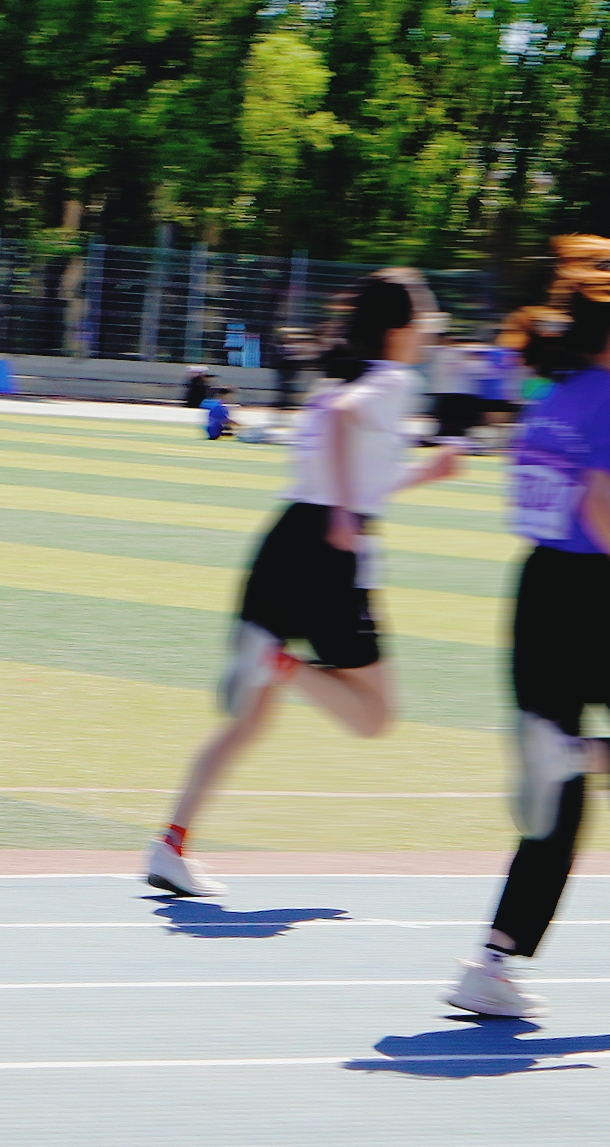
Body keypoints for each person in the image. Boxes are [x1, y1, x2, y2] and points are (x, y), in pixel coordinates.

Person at [144, 269, 460, 897]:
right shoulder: (392, 381)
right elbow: (345, 432)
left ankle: (170, 844)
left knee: (249, 720)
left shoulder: (339, 380)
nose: (430, 328)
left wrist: (421, 476)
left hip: (284, 545)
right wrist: (344, 513)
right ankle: (280, 663)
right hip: (328, 558)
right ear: (400, 327)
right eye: (424, 316)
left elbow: (351, 467)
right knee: (374, 716)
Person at [443, 236, 610, 1018]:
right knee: (595, 763)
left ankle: (492, 963)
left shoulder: (552, 395)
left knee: (556, 803)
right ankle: (581, 751)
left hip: (536, 594)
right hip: (597, 597)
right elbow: (603, 507)